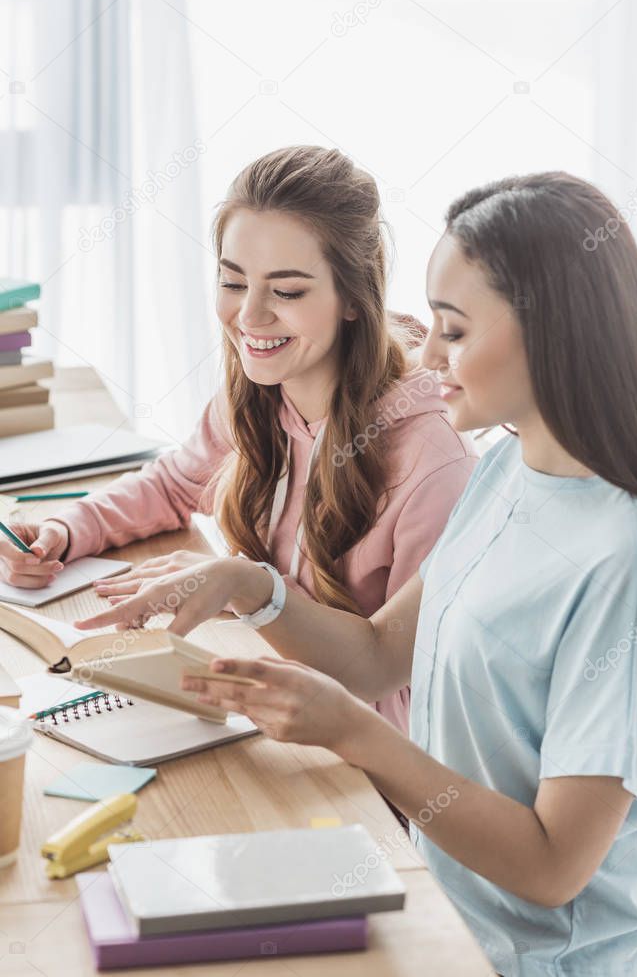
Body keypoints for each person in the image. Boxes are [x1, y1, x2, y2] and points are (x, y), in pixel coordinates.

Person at [79, 171, 637, 976]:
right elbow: (376, 655)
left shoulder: (631, 561)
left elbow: (551, 868)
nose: (427, 357)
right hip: (433, 910)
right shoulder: (507, 471)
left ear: (554, 334)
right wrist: (250, 586)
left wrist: (354, 731)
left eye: (455, 330)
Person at [5, 145, 477, 732]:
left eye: (287, 291)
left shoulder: (433, 462)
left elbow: (400, 681)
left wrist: (254, 594)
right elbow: (174, 484)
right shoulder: (258, 393)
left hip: (365, 766)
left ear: (355, 297)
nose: (250, 317)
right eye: (232, 281)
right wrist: (65, 530)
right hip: (266, 705)